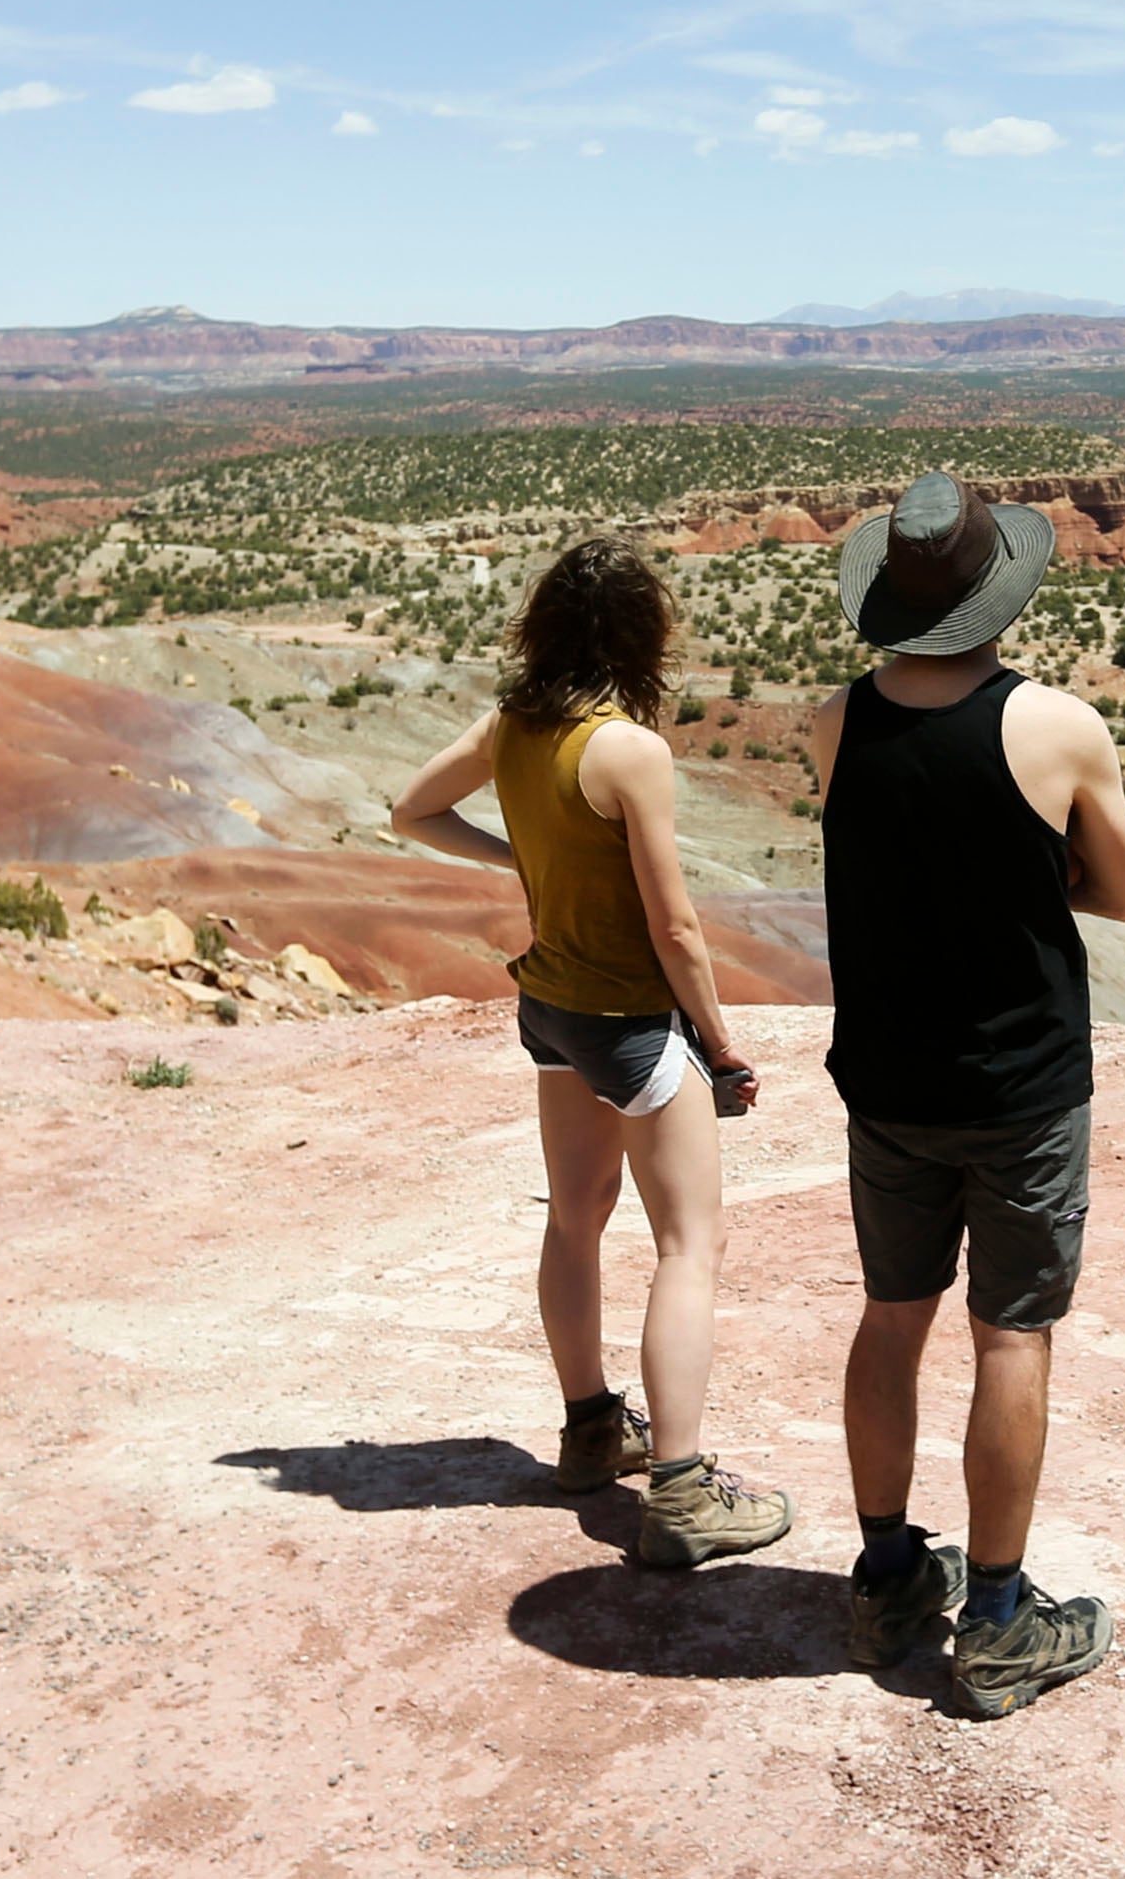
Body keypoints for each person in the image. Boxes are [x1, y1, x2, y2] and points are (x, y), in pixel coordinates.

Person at [809, 472, 1125, 1719]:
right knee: (1010, 1335)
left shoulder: (834, 720)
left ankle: (889, 1576)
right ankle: (998, 1619)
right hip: (1020, 1086)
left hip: (887, 1080)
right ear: (1000, 597)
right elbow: (1117, 893)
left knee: (892, 1316)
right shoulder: (1054, 727)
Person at [390, 535, 792, 1570]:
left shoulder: (512, 727)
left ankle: (589, 1429)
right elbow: (678, 930)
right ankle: (685, 1491)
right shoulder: (627, 751)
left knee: (575, 1222)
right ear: (639, 636)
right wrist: (720, 1041)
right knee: (688, 1247)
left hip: (551, 1011)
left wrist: (518, 854)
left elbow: (413, 811)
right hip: (631, 1023)